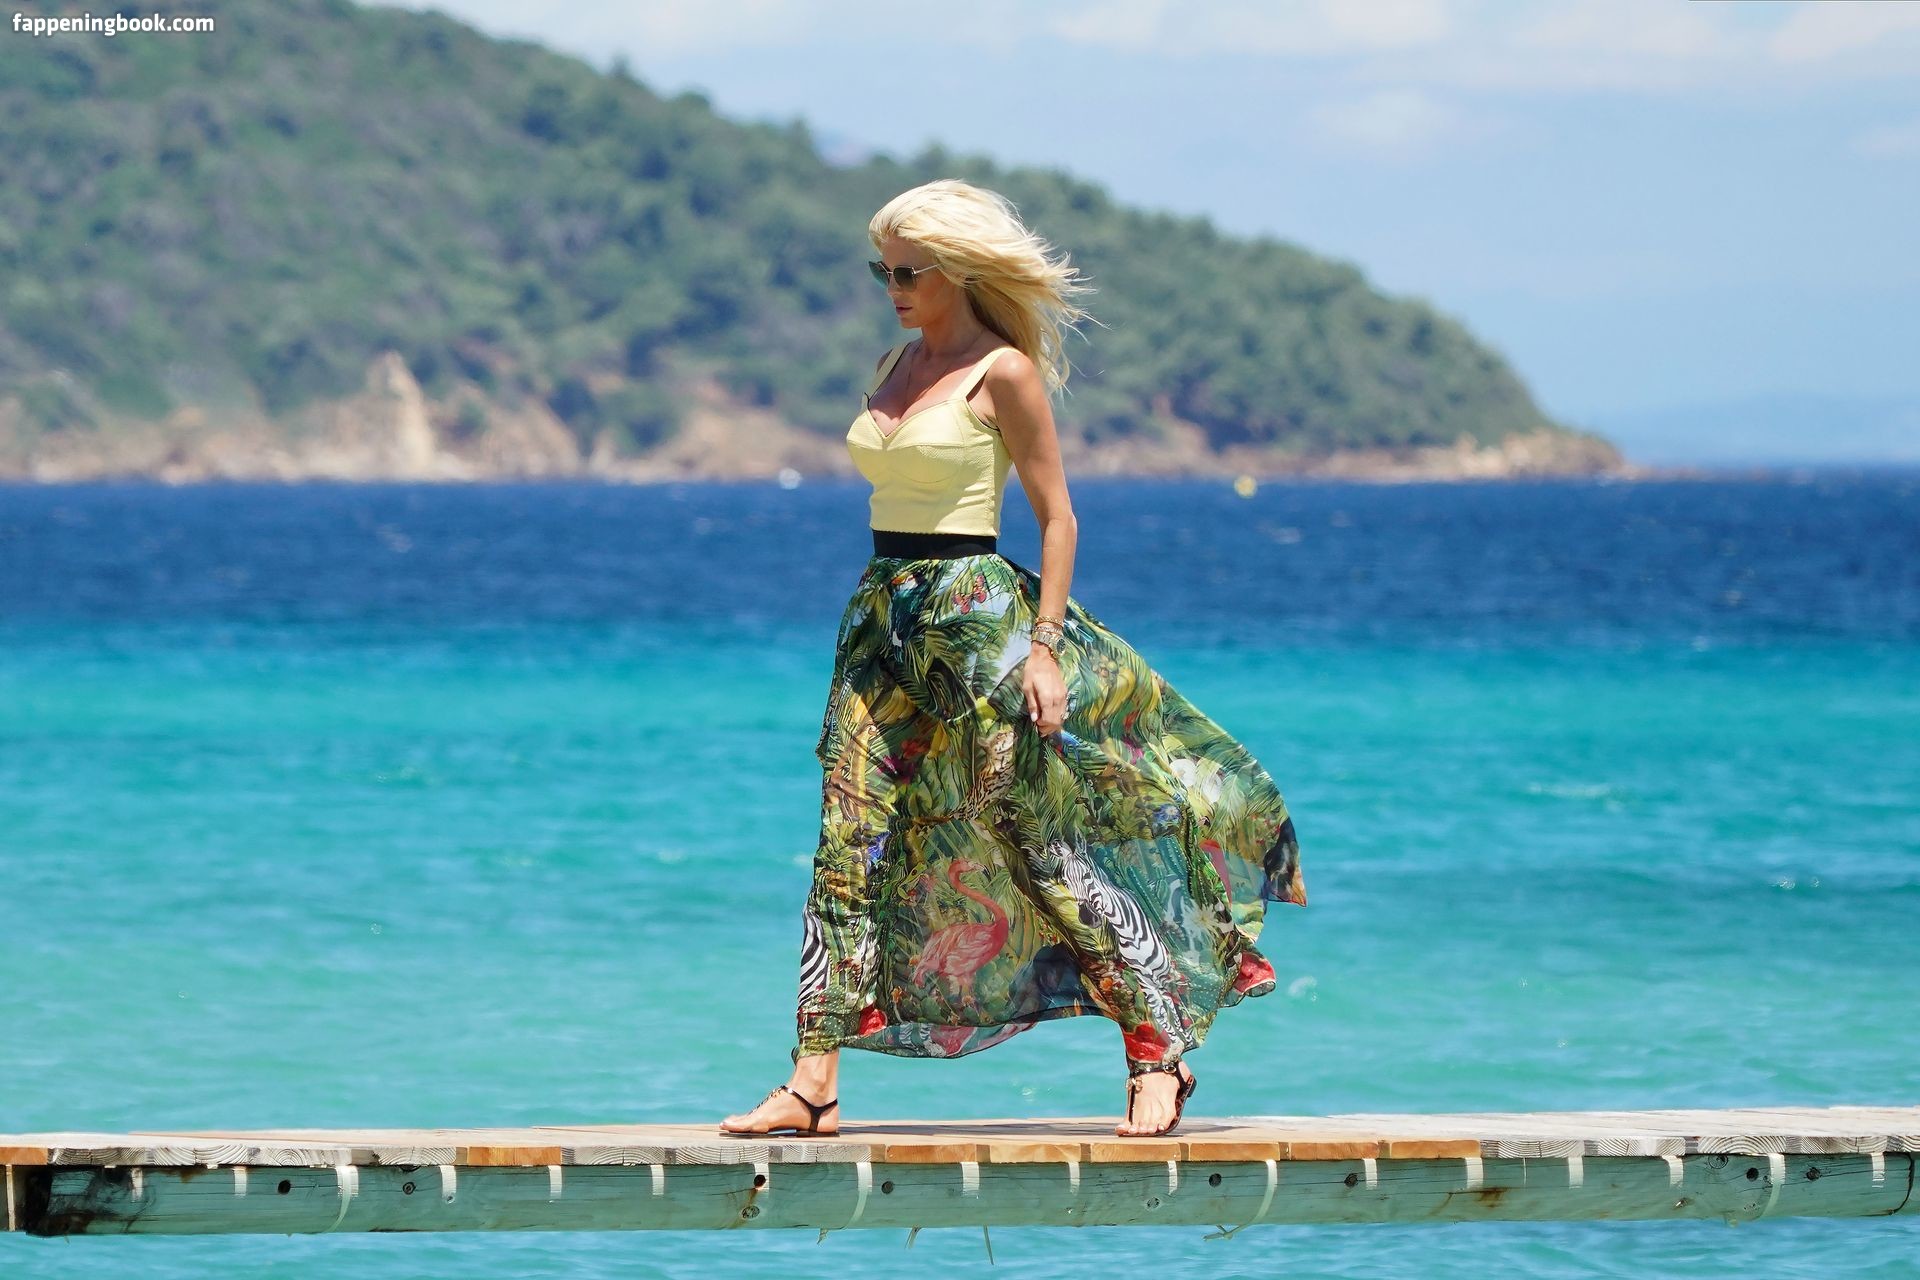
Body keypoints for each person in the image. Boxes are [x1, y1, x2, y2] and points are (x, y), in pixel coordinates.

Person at [720, 179, 1307, 1140]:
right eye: (882, 271)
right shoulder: (897, 361)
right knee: (846, 838)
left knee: (1033, 834)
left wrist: (1044, 648)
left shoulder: (1005, 373)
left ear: (957, 271)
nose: (892, 289)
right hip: (882, 619)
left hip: (978, 616)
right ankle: (813, 1082)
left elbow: (1058, 517)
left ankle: (1156, 1050)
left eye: (908, 273)